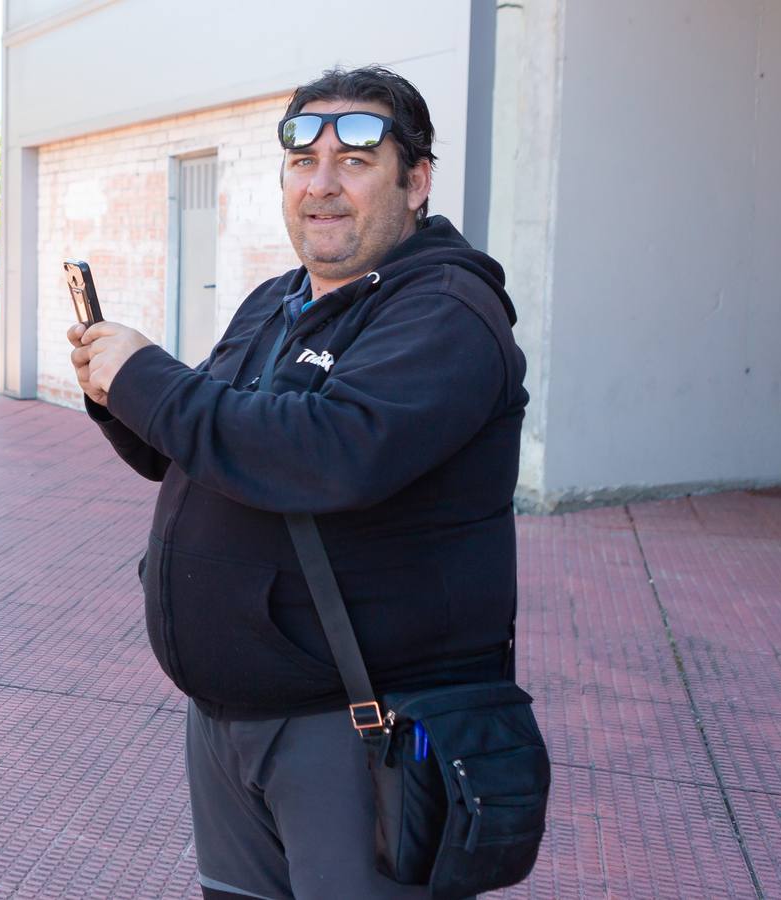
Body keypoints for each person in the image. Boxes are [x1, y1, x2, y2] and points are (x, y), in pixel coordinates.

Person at [70, 66, 529, 900]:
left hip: (358, 731)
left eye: (354, 163)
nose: (322, 185)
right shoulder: (274, 302)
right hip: (227, 723)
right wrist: (115, 393)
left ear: (416, 182)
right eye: (302, 161)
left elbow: (327, 453)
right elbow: (195, 446)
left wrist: (150, 379)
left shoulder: (449, 311)